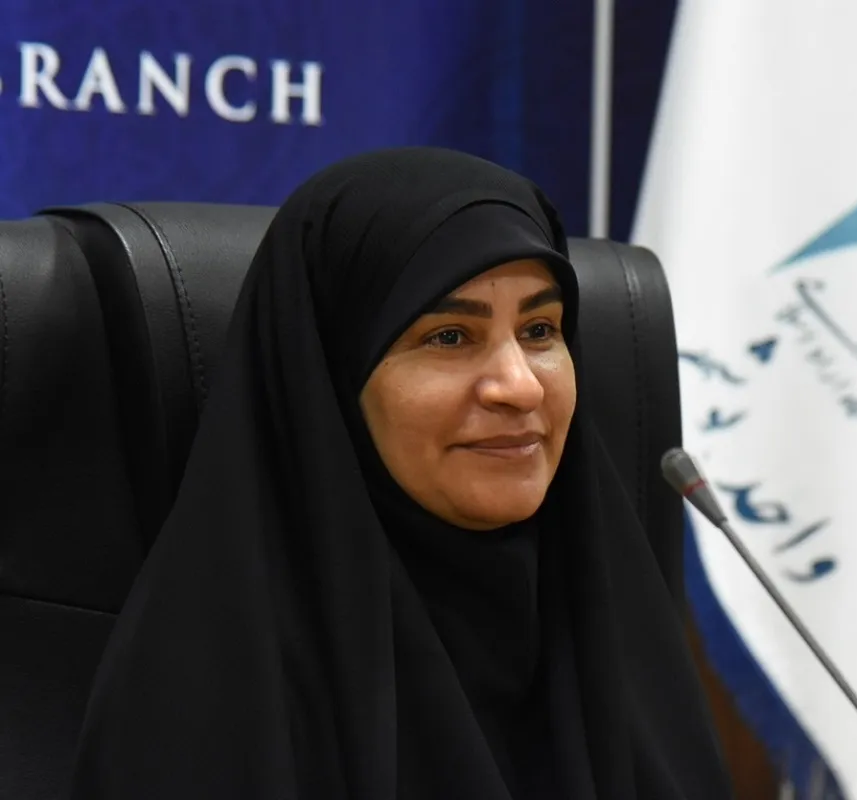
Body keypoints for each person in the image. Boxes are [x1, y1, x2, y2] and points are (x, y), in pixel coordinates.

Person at [68, 147, 733, 799]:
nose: (521, 386)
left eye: (539, 330)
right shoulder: (213, 690)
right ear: (333, 380)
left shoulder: (615, 623)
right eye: (450, 337)